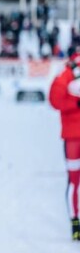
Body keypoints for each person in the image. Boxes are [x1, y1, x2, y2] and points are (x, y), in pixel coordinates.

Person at [48, 53, 80, 241]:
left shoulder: (67, 70)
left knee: (74, 182)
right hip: (73, 138)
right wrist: (75, 102)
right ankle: (76, 223)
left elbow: (55, 98)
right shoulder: (68, 71)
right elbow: (55, 99)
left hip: (72, 138)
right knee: (74, 181)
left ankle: (76, 223)